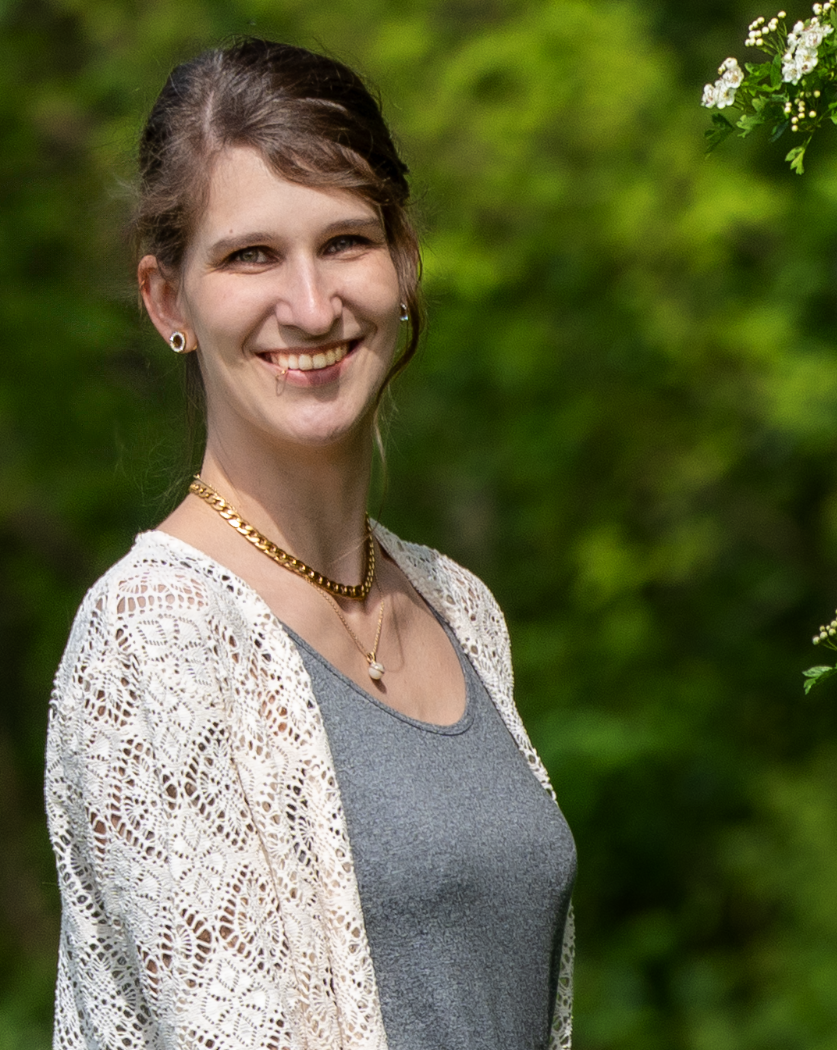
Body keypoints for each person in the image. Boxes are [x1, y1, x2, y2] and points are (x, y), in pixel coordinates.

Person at [44, 39, 576, 1050]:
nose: (312, 306)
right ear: (168, 300)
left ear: (404, 261)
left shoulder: (458, 609)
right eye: (251, 255)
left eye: (345, 243)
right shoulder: (154, 638)